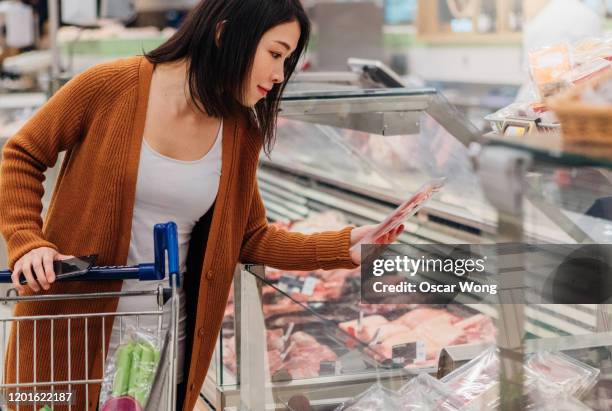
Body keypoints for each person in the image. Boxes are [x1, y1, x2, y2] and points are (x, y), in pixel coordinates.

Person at [0, 1, 404, 410]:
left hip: (160, 345)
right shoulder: (110, 85)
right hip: (71, 332)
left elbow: (248, 237)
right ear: (224, 34)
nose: (280, 74)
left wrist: (344, 246)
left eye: (287, 60)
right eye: (275, 54)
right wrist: (28, 240)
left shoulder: (240, 130)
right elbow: (22, 154)